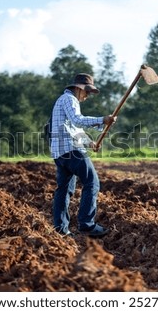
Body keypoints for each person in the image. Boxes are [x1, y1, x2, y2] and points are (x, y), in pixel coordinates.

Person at [49, 73, 116, 237]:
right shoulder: (70, 100)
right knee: (92, 183)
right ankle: (87, 224)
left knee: (64, 190)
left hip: (60, 153)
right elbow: (78, 120)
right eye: (87, 92)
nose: (87, 96)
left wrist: (90, 142)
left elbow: (74, 128)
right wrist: (102, 119)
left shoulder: (64, 101)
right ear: (79, 89)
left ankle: (61, 229)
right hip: (71, 150)